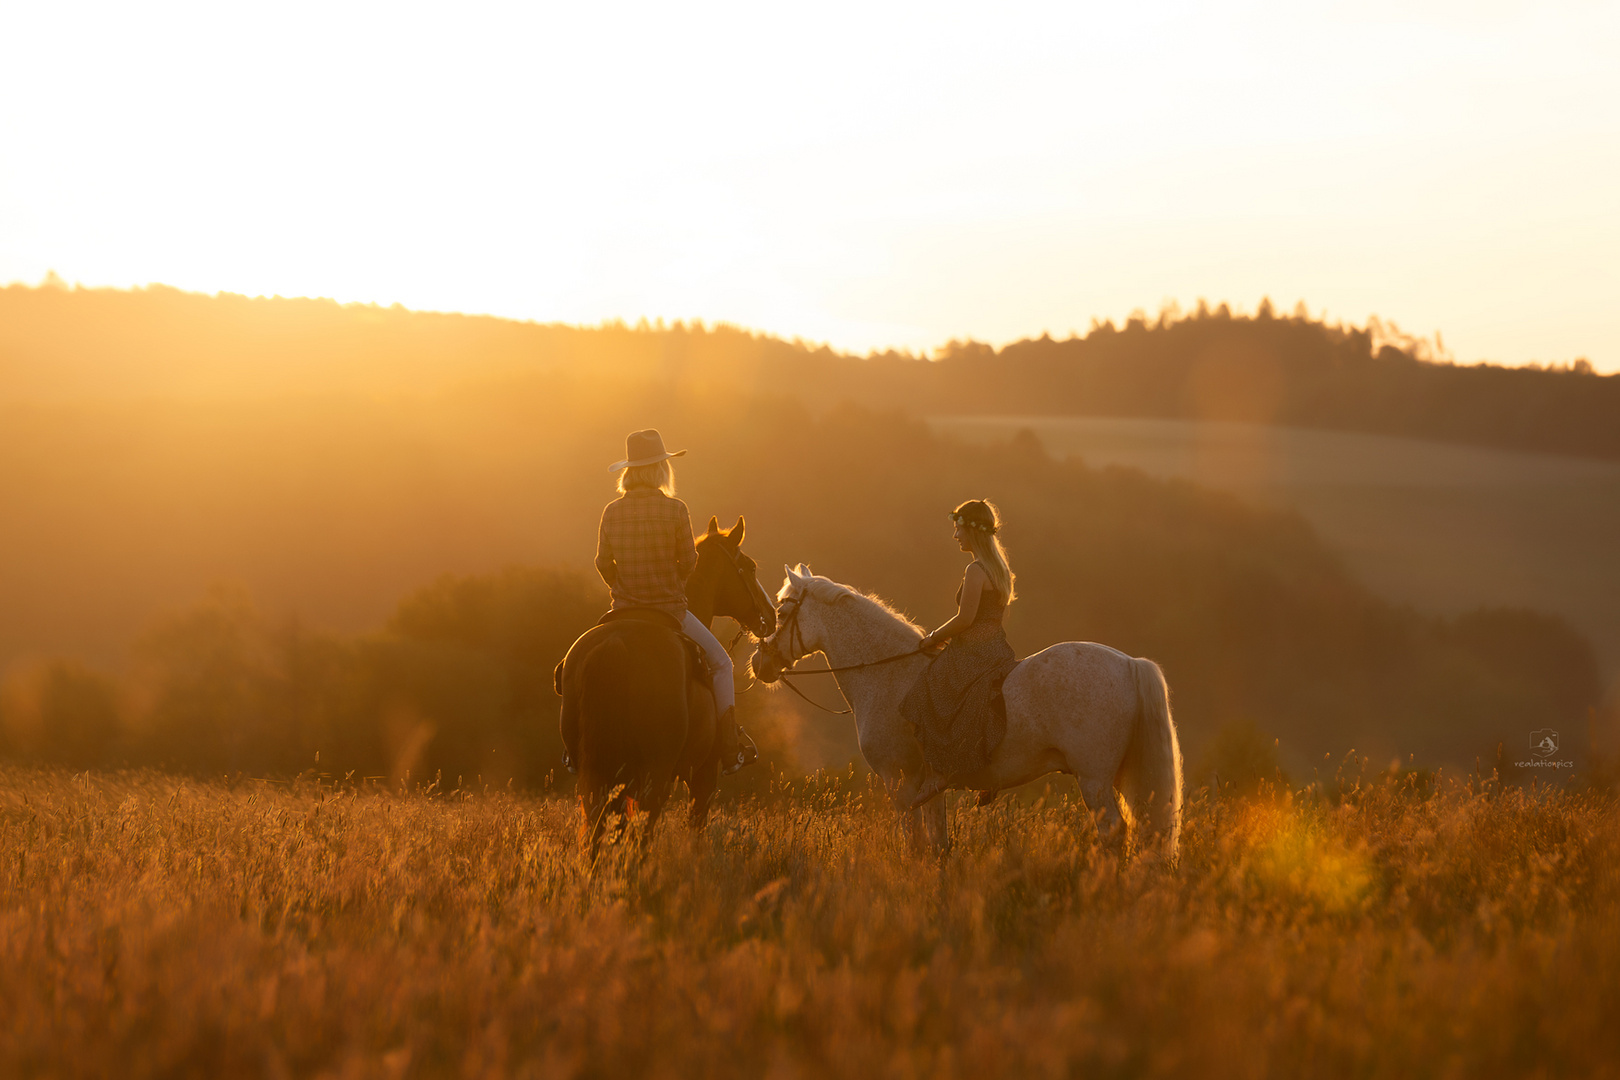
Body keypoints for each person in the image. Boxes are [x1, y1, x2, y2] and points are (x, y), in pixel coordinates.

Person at [593, 429, 757, 774]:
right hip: (669, 612)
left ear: (629, 470)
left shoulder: (611, 511)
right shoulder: (675, 509)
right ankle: (729, 746)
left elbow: (602, 563)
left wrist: (621, 585)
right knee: (722, 663)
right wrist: (670, 584)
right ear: (660, 469)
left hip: (621, 611)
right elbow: (689, 560)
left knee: (575, 665)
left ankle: (574, 749)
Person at [900, 499, 1019, 807]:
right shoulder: (1001, 570)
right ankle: (981, 769)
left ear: (972, 532)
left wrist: (933, 638)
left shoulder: (976, 570)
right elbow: (995, 618)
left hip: (973, 650)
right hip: (996, 648)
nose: (955, 536)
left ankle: (940, 773)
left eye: (958, 529)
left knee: (924, 695)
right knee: (974, 702)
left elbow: (965, 620)